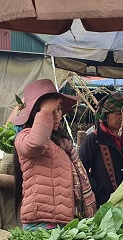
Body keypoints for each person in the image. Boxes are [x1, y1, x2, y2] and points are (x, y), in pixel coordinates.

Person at [14, 79, 96, 229]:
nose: (57, 116)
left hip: (63, 223)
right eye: (51, 111)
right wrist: (45, 111)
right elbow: (36, 143)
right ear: (36, 114)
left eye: (58, 109)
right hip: (41, 224)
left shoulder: (61, 143)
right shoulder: (25, 137)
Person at [79, 92, 123, 207]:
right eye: (118, 113)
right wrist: (99, 190)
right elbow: (81, 170)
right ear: (106, 114)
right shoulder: (94, 139)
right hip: (104, 202)